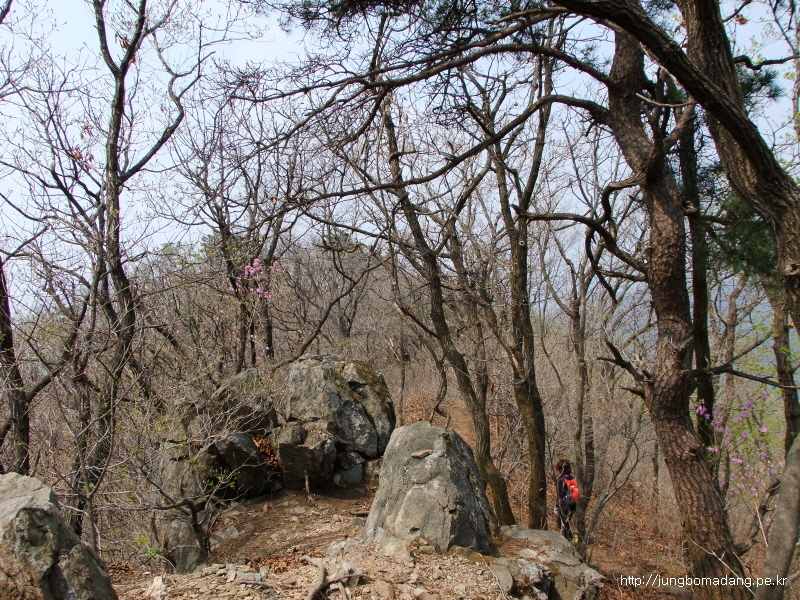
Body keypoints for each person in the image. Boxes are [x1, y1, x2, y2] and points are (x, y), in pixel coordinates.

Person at [554, 458, 579, 544]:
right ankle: (571, 539)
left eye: (559, 470)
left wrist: (557, 507)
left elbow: (560, 495)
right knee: (566, 522)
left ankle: (570, 541)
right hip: (574, 504)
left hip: (565, 504)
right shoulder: (573, 478)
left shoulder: (562, 480)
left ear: (562, 470)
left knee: (562, 523)